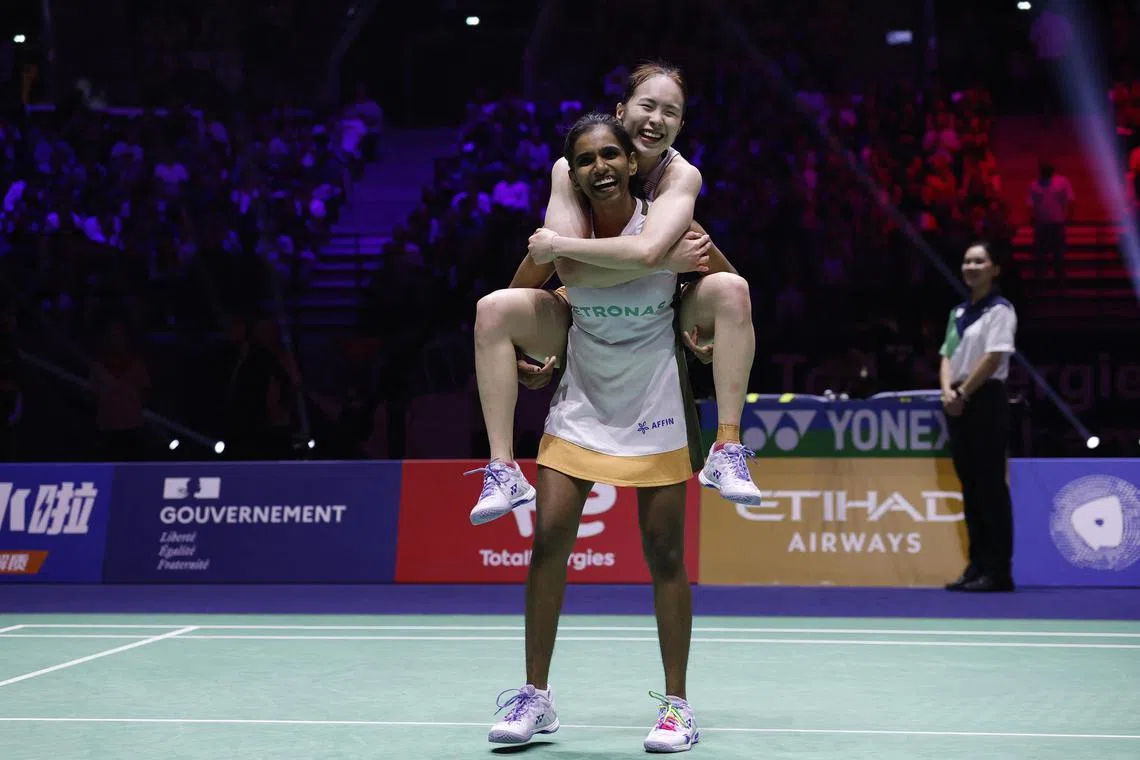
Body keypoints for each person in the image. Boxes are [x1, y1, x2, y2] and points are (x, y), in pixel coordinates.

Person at [488, 114, 701, 753]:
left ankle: (677, 706)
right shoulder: (567, 232)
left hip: (656, 401)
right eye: (585, 160)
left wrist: (707, 328)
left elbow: (724, 281)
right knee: (549, 539)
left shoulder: (665, 224)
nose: (601, 166)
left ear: (633, 163)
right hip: (582, 398)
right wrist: (527, 347)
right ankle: (535, 697)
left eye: (611, 154)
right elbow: (517, 290)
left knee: (663, 555)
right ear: (574, 174)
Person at [469, 61, 761, 526]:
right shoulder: (574, 166)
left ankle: (726, 449)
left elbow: (646, 252)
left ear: (680, 126)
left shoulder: (678, 176)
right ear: (622, 111)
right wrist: (517, 338)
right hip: (584, 316)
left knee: (733, 291)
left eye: (670, 111)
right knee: (493, 310)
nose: (656, 119)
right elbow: (567, 270)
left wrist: (721, 323)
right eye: (647, 106)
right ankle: (503, 469)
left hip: (660, 311)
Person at [939, 241, 1017, 593]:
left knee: (990, 489)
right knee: (969, 487)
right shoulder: (958, 313)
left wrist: (964, 394)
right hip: (956, 401)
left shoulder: (1000, 311)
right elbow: (946, 355)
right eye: (967, 260)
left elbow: (994, 357)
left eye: (979, 261)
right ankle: (976, 565)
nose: (971, 266)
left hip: (984, 399)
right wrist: (947, 393)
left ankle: (999, 571)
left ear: (994, 269)